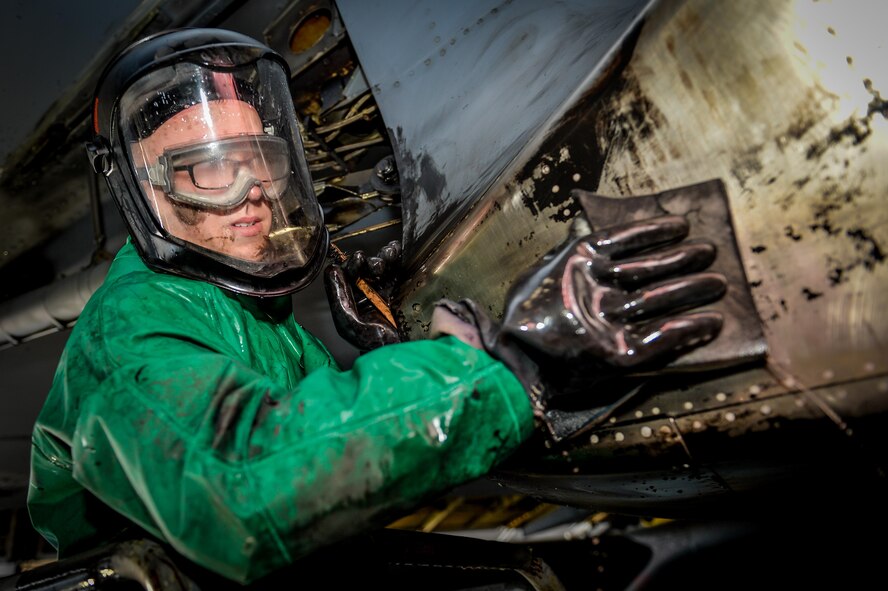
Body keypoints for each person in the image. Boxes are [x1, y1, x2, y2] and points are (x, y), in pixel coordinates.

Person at [27, 28, 727, 585]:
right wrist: (511, 366)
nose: (250, 191)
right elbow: (244, 494)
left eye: (263, 160)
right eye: (209, 167)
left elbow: (337, 468)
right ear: (149, 192)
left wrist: (402, 353)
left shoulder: (252, 318)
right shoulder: (134, 328)